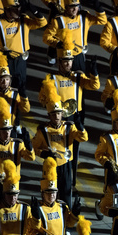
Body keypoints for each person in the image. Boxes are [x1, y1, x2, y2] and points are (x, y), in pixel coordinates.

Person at [39, 31, 99, 186]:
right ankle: (53, 180)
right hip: (59, 118)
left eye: (70, 61)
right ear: (59, 62)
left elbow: (94, 85)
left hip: (75, 117)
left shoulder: (78, 76)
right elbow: (41, 99)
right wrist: (49, 101)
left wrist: (94, 73)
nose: (67, 64)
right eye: (64, 61)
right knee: (56, 149)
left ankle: (71, 179)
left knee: (74, 150)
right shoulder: (52, 79)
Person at [32, 84, 88, 208]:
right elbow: (33, 148)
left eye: (59, 113)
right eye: (53, 114)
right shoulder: (43, 130)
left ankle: (66, 221)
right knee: (50, 196)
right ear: (49, 115)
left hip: (66, 166)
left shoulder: (69, 126)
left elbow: (84, 138)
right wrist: (43, 153)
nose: (57, 117)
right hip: (51, 167)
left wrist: (80, 126)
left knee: (66, 195)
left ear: (62, 114)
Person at [0, 0, 47, 91]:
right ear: (7, 10)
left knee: (21, 87)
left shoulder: (23, 20)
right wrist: (1, 52)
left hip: (21, 60)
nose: (18, 11)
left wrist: (35, 12)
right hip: (5, 61)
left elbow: (42, 23)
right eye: (15, 9)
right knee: (6, 88)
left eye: (19, 8)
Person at [0, 97, 35, 206]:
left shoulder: (17, 144)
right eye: (4, 130)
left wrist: (29, 146)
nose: (7, 133)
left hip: (12, 186)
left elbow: (31, 158)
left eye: (9, 130)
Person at [42, 0, 106, 67]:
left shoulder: (84, 17)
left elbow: (102, 21)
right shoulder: (58, 21)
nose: (75, 9)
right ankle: (52, 54)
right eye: (72, 7)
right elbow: (46, 37)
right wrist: (57, 44)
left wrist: (99, 9)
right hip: (65, 56)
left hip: (78, 55)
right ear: (66, 7)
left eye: (76, 6)